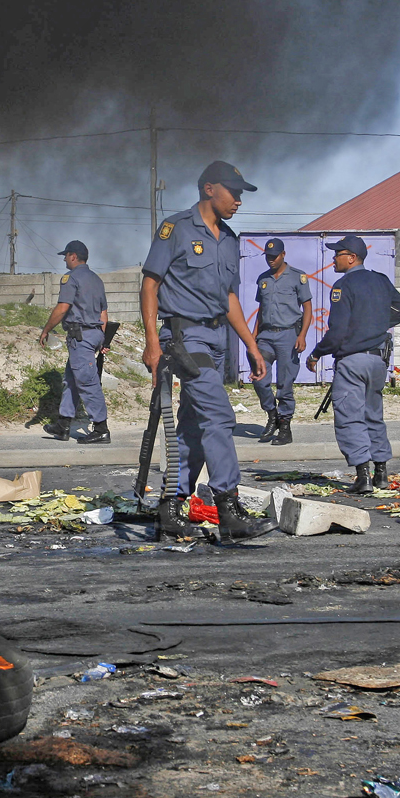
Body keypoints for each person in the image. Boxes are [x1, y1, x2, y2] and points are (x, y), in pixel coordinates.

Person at [141, 161, 276, 541]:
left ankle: (170, 507)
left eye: (241, 193)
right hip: (185, 337)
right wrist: (153, 343)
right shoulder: (177, 229)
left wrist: (251, 346)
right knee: (219, 416)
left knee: (194, 427)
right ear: (208, 188)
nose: (238, 200)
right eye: (233, 192)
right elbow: (150, 285)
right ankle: (228, 506)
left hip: (218, 340)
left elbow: (229, 297)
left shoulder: (230, 239)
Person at [305, 235, 400, 494]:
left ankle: (363, 477)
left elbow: (337, 331)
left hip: (352, 361)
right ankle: (382, 474)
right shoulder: (381, 280)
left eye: (337, 254)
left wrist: (316, 353)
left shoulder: (343, 286)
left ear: (351, 258)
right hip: (377, 361)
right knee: (373, 416)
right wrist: (374, 325)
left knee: (349, 417)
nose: (333, 258)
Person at [40, 240, 110, 444]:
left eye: (66, 255)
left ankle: (101, 428)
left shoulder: (71, 278)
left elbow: (63, 308)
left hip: (81, 337)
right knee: (71, 380)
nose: (64, 259)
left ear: (73, 256)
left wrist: (46, 330)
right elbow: (103, 313)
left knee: (88, 382)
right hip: (94, 334)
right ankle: (63, 425)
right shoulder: (97, 279)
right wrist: (101, 337)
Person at [251, 237, 311, 445]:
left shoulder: (297, 277)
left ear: (283, 255)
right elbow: (261, 310)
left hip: (288, 336)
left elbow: (308, 307)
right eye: (268, 257)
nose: (271, 260)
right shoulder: (263, 279)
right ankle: (272, 415)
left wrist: (302, 334)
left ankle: (285, 427)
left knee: (285, 383)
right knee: (259, 378)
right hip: (266, 336)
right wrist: (253, 336)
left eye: (274, 256)